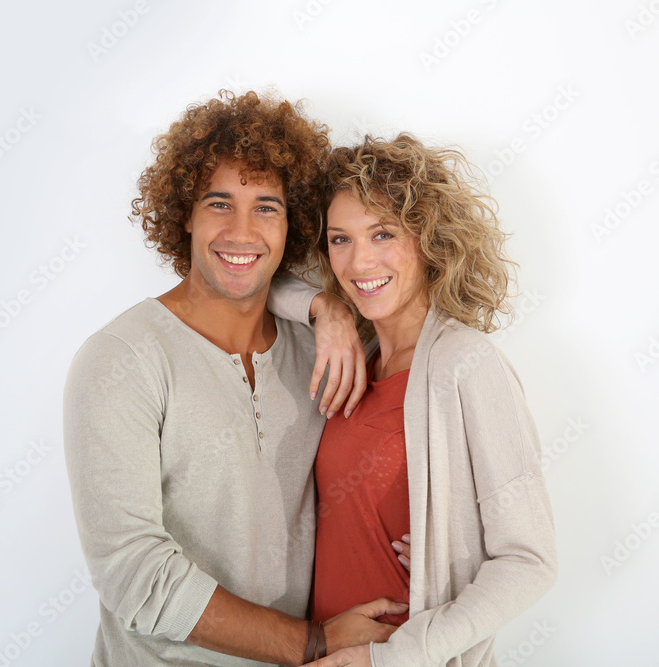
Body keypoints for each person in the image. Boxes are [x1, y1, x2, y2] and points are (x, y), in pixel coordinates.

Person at [62, 90, 405, 666]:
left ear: (292, 224)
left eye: (267, 207)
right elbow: (133, 575)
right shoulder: (120, 359)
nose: (243, 232)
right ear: (185, 217)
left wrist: (329, 308)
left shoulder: (317, 349)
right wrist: (312, 642)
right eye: (219, 203)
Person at [269, 133, 558, 666]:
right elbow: (249, 280)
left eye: (382, 233)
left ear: (428, 239)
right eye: (340, 240)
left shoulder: (468, 364)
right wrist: (324, 310)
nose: (359, 262)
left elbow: (528, 559)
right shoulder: (357, 353)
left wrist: (385, 660)